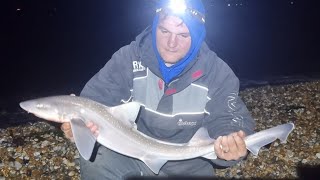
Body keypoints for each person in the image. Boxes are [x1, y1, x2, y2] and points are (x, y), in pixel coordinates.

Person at [61, 0, 255, 179]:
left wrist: (232, 142)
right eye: (164, 31)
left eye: (183, 35)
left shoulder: (217, 72)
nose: (171, 43)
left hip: (188, 163)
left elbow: (228, 118)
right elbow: (95, 101)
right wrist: (80, 126)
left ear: (197, 36)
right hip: (132, 154)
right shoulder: (128, 59)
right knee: (95, 160)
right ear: (155, 27)